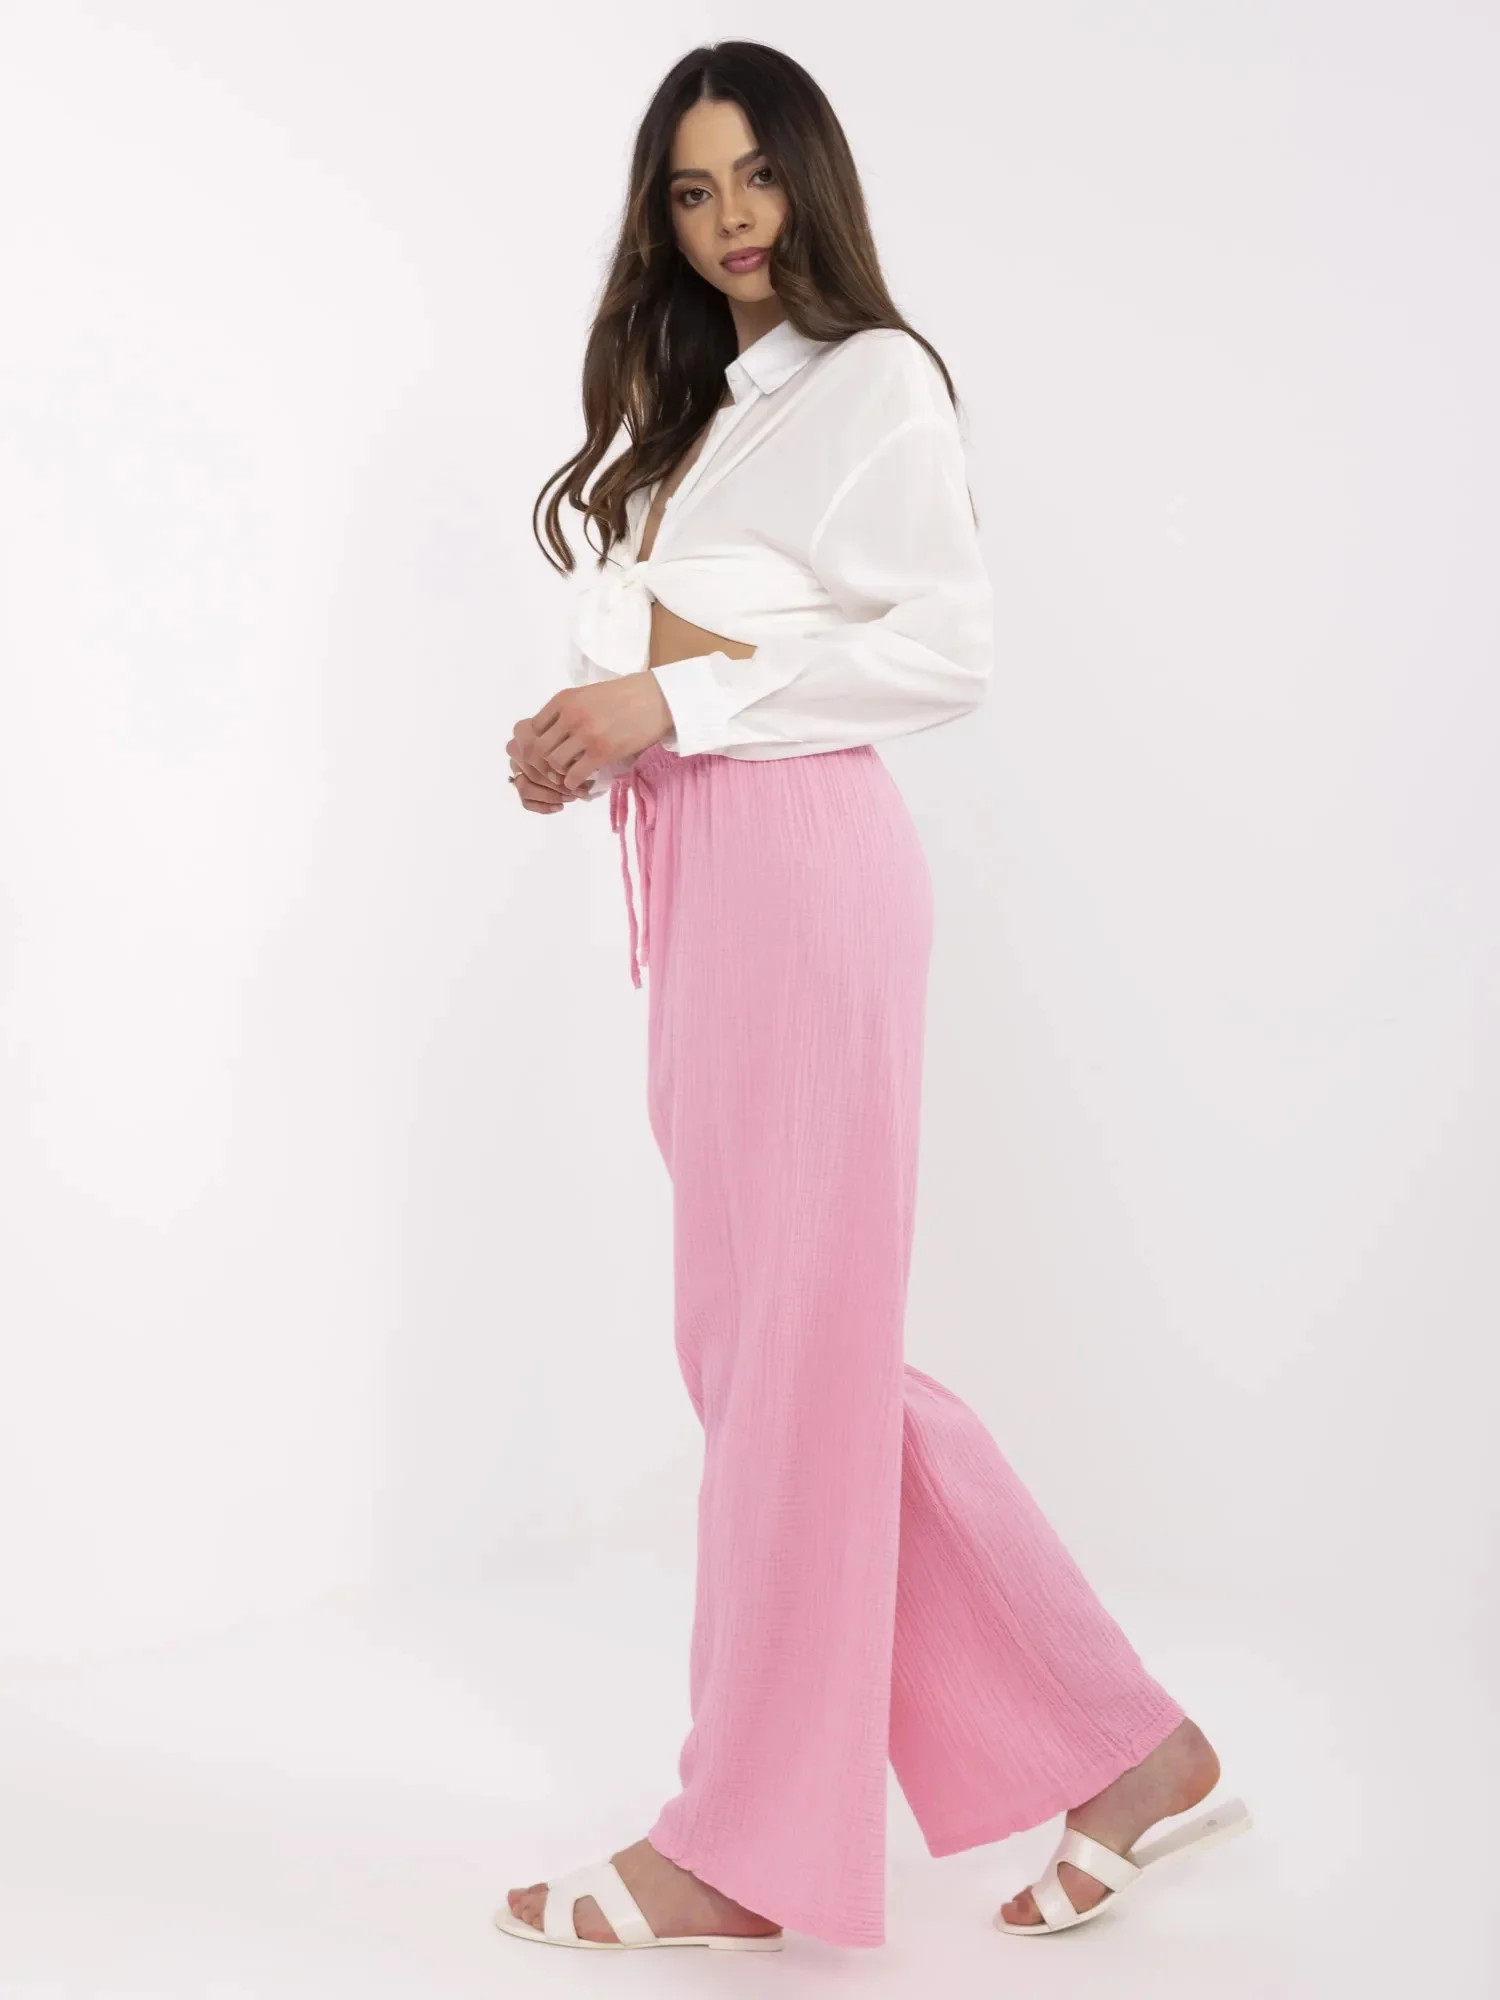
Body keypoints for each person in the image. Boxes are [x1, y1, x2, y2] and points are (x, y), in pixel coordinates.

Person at [495, 40, 1250, 1956]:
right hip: (705, 879)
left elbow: (946, 646)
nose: (728, 221)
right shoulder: (714, 412)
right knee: (772, 1358)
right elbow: (723, 650)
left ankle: (746, 1841)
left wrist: (668, 699)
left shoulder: (875, 381)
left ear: (812, 179)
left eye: (754, 177)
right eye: (690, 191)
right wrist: (596, 731)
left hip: (805, 871)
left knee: (792, 1363)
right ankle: (1127, 1746)